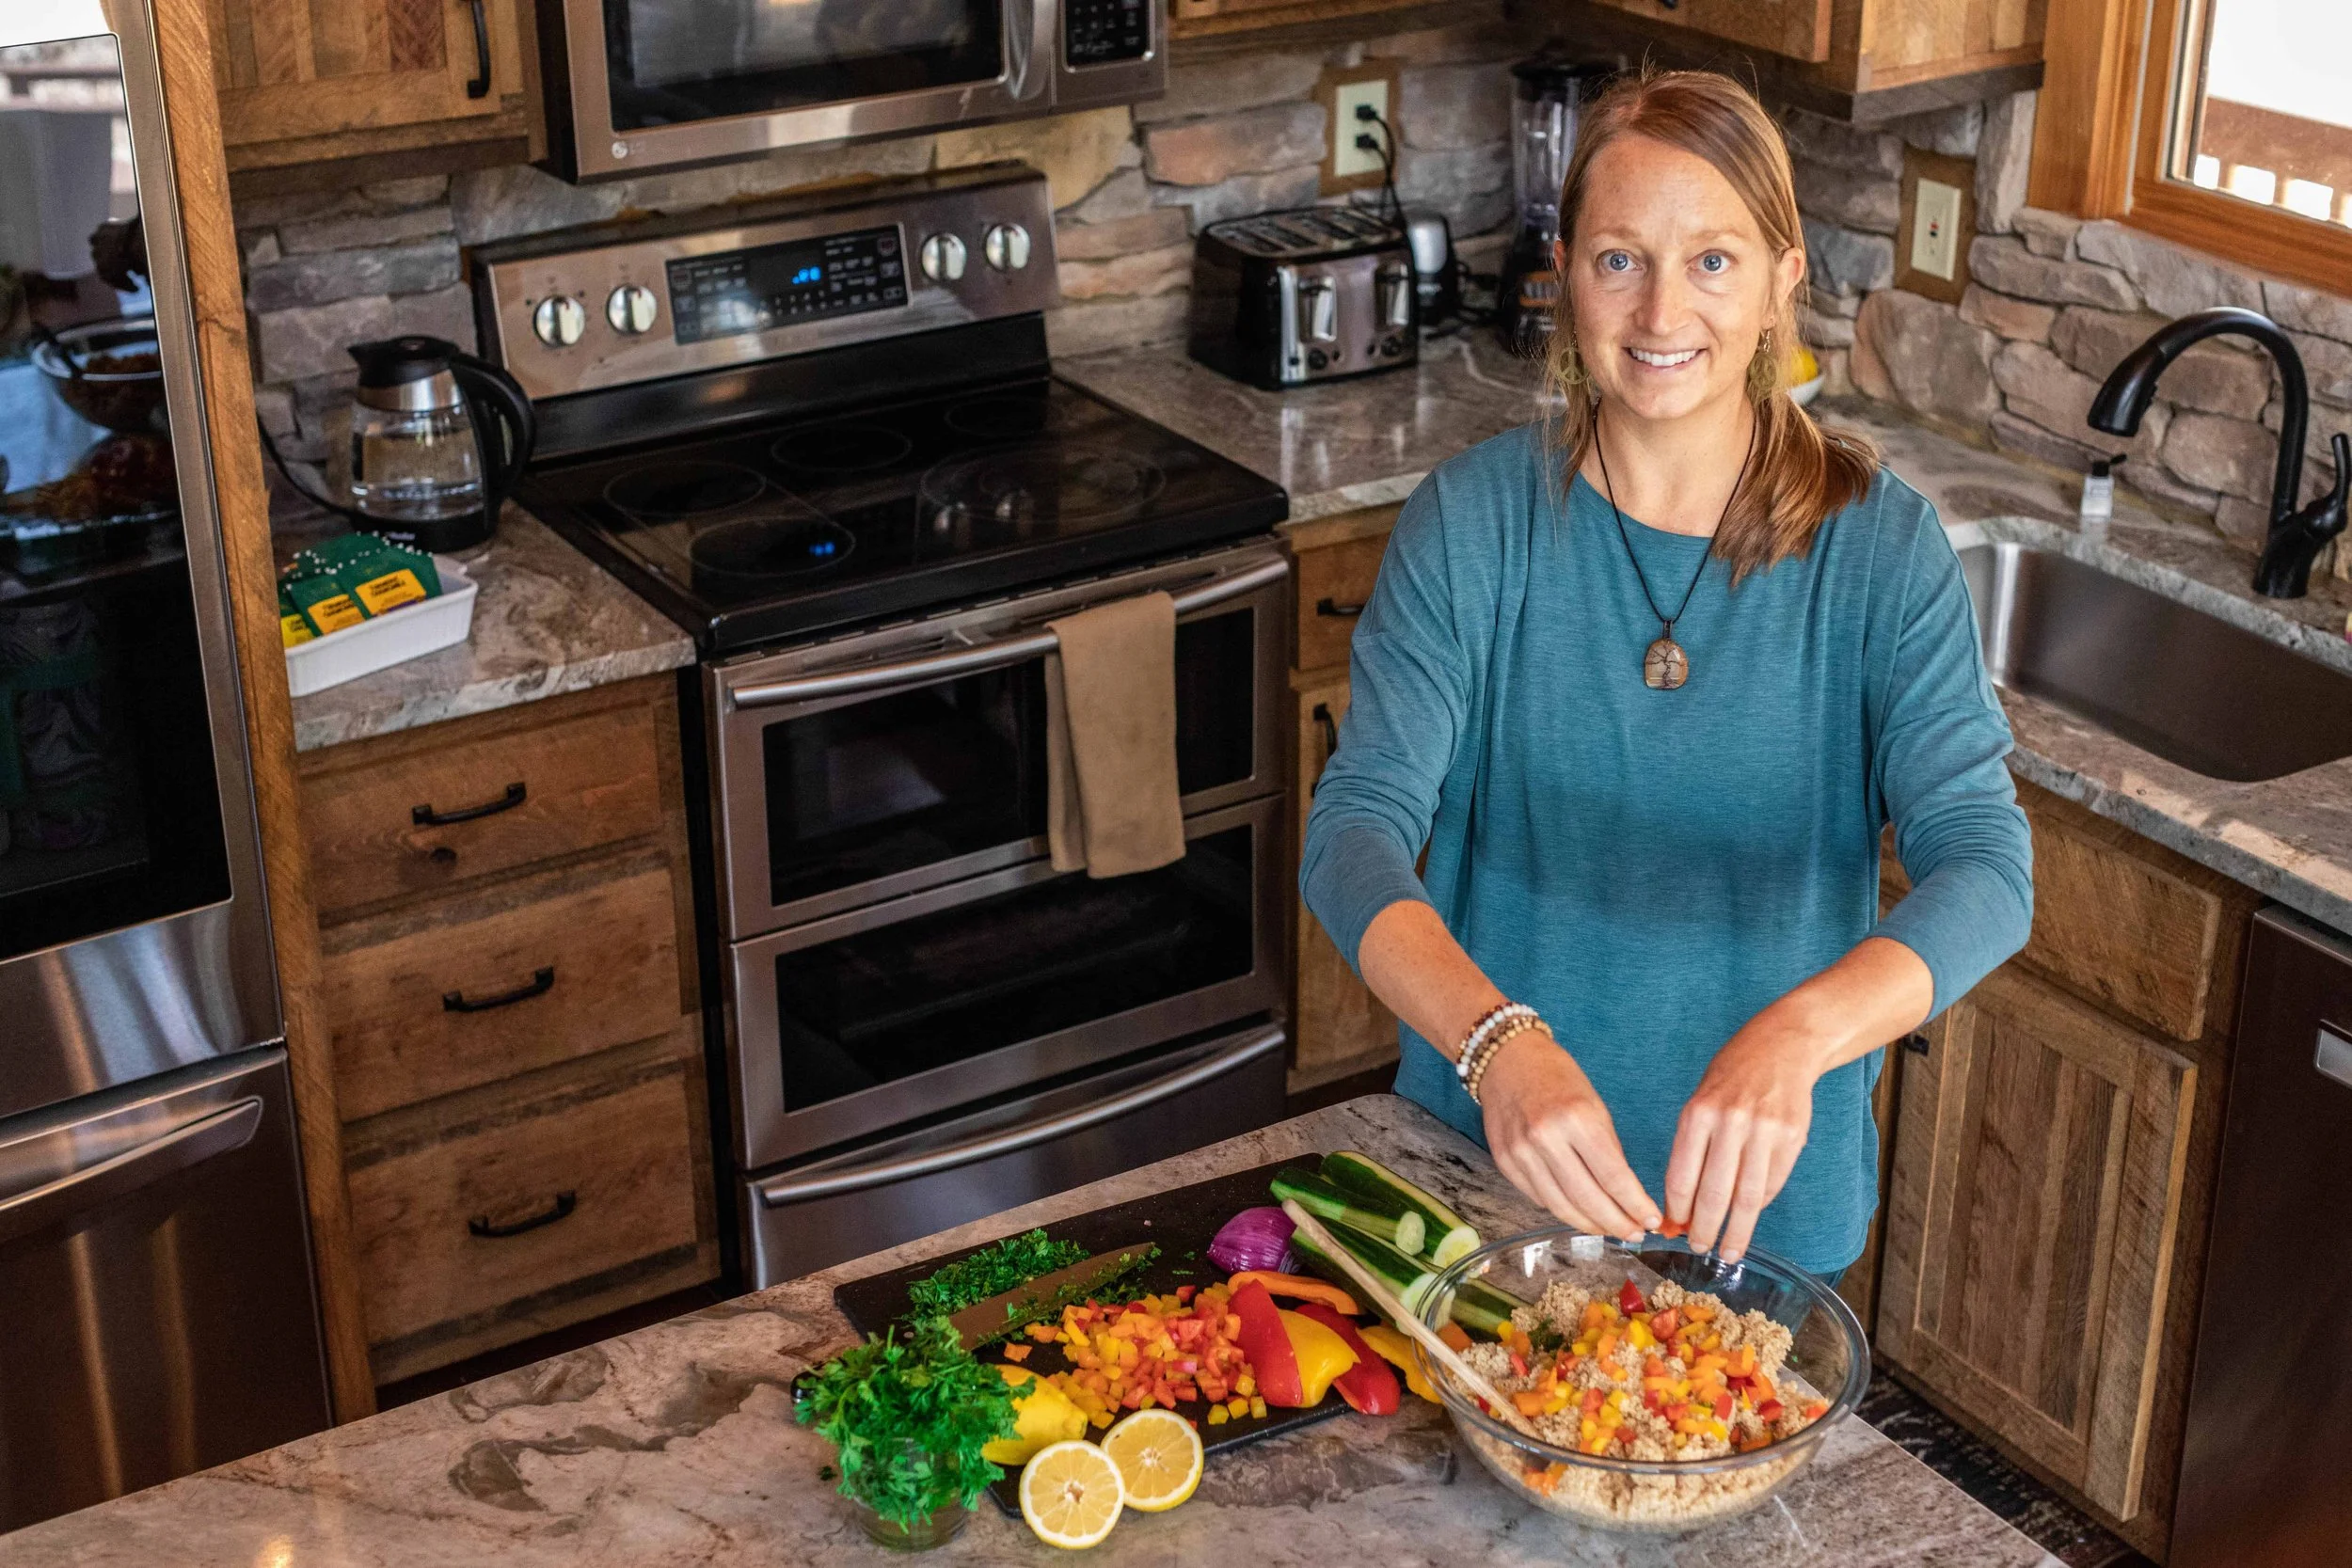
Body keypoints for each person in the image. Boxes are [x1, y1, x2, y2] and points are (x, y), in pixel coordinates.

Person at [1300, 69, 2033, 1284]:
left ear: (1781, 284)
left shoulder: (1881, 552)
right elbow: (1353, 832)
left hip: (1754, 1230)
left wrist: (1801, 1036)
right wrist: (1497, 1044)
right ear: (1565, 268)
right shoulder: (1473, 523)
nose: (1659, 312)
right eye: (1619, 259)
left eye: (1712, 261)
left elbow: (1990, 867)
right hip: (1481, 1189)